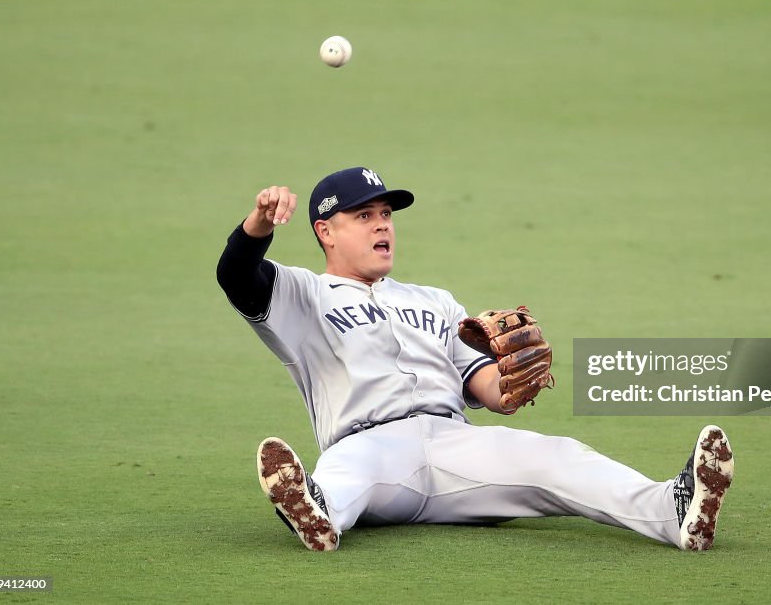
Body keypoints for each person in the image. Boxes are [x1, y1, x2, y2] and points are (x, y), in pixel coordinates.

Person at [216, 166, 735, 552]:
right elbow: (236, 274)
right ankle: (316, 511)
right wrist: (260, 220)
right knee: (345, 473)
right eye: (364, 215)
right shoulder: (302, 294)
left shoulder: (434, 300)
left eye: (387, 215)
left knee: (556, 456)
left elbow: (483, 385)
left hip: (454, 446)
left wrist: (508, 387)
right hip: (369, 447)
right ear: (326, 231)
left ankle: (674, 510)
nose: (383, 227)